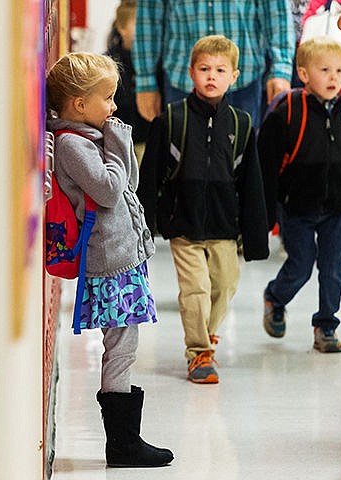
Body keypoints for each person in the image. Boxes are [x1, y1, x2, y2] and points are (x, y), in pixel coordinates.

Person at [46, 52, 173, 468]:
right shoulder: (71, 145)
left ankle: (125, 439)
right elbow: (109, 191)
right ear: (80, 105)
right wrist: (118, 144)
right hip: (108, 260)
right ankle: (122, 443)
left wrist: (117, 145)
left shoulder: (94, 138)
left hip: (124, 254)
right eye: (108, 98)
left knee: (126, 341)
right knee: (120, 344)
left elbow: (130, 183)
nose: (114, 106)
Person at [137, 36, 270, 384]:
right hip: (184, 222)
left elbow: (251, 183)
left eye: (220, 70)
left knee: (225, 285)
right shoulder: (171, 119)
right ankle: (198, 354)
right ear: (191, 72)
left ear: (234, 76)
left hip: (225, 224)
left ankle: (207, 333)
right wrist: (145, 224)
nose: (212, 76)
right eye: (204, 69)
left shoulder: (241, 124)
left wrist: (255, 236)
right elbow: (150, 174)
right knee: (195, 288)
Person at [259, 36, 341, 353]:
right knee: (301, 265)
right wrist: (267, 211)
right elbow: (266, 165)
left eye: (339, 70)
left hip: (338, 209)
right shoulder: (287, 111)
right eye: (325, 69)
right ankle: (276, 296)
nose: (334, 77)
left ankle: (326, 325)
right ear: (304, 74)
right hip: (297, 209)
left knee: (334, 267)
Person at [132, 0, 295, 127]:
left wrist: (281, 68)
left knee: (240, 162)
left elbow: (277, 12)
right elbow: (149, 17)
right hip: (182, 81)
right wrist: (146, 81)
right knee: (180, 164)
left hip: (243, 81)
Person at [105, 0, 150, 163]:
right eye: (138, 24)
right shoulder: (110, 61)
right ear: (121, 28)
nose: (145, 30)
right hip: (119, 137)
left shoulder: (153, 62)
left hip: (146, 136)